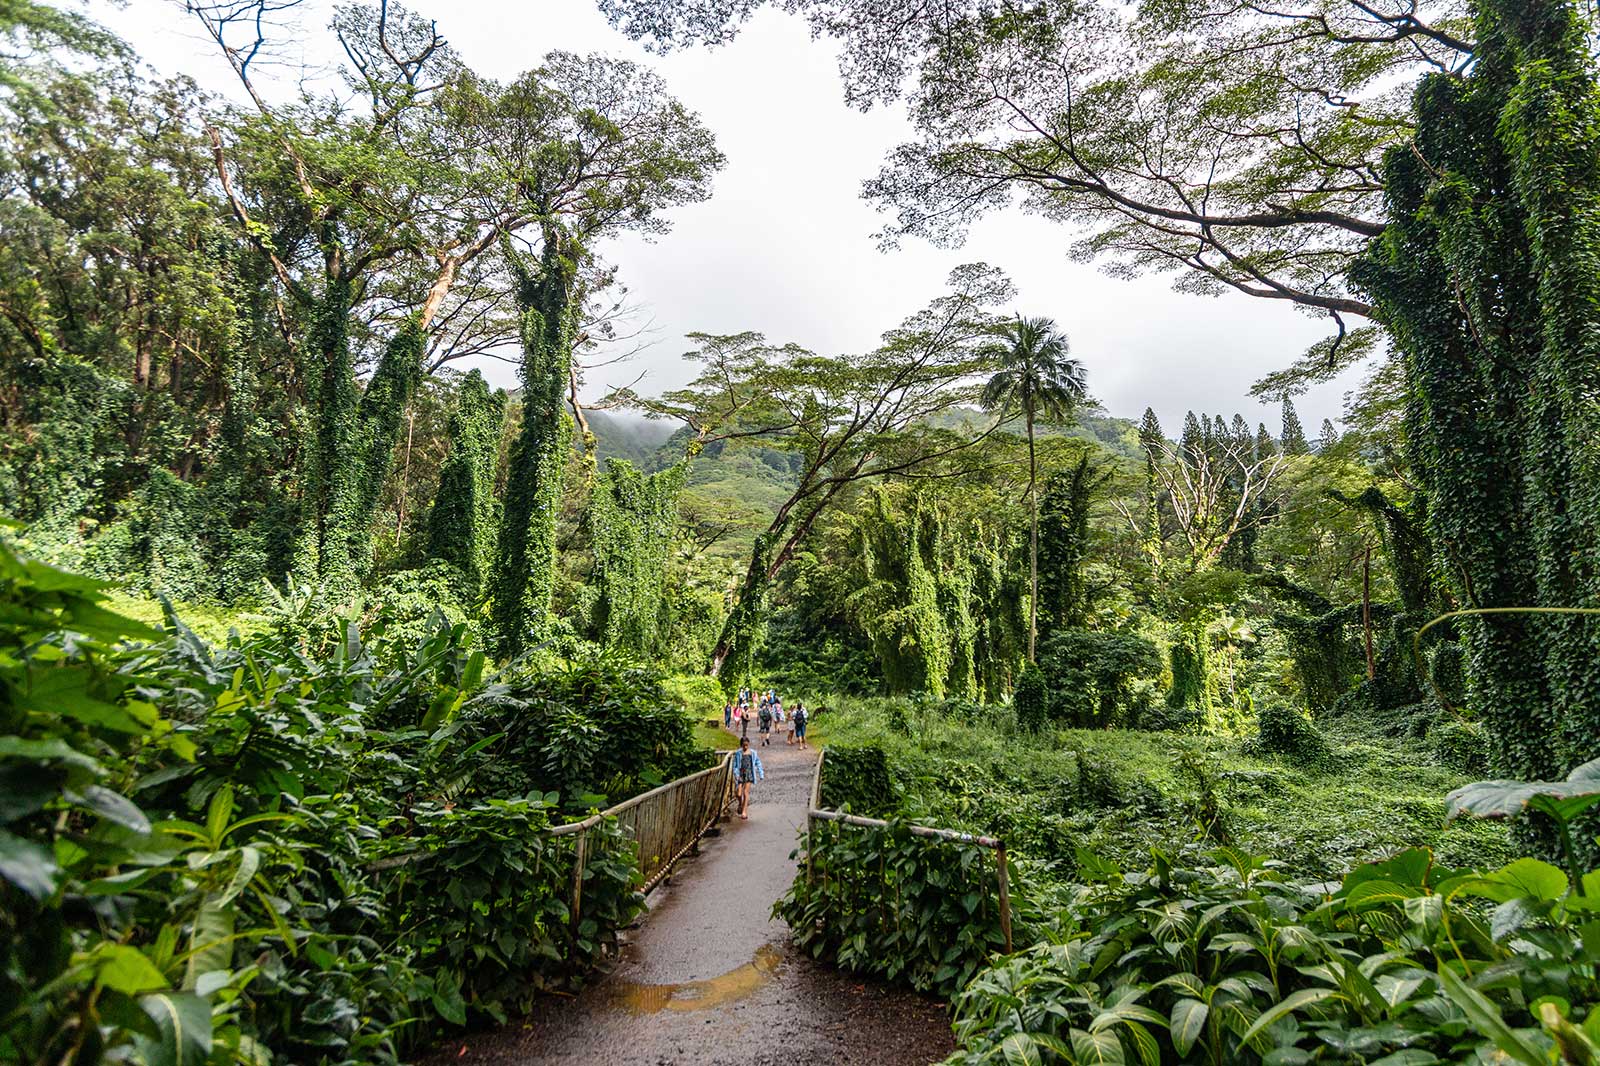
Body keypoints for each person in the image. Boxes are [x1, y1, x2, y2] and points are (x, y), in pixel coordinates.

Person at [734, 735, 764, 819]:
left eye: (747, 745)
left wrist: (761, 773)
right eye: (744, 745)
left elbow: (758, 763)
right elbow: (735, 765)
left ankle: (744, 811)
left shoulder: (753, 753)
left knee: (745, 793)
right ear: (741, 745)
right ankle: (740, 803)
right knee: (739, 794)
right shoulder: (738, 753)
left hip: (749, 773)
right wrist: (736, 773)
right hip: (740, 774)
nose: (745, 747)